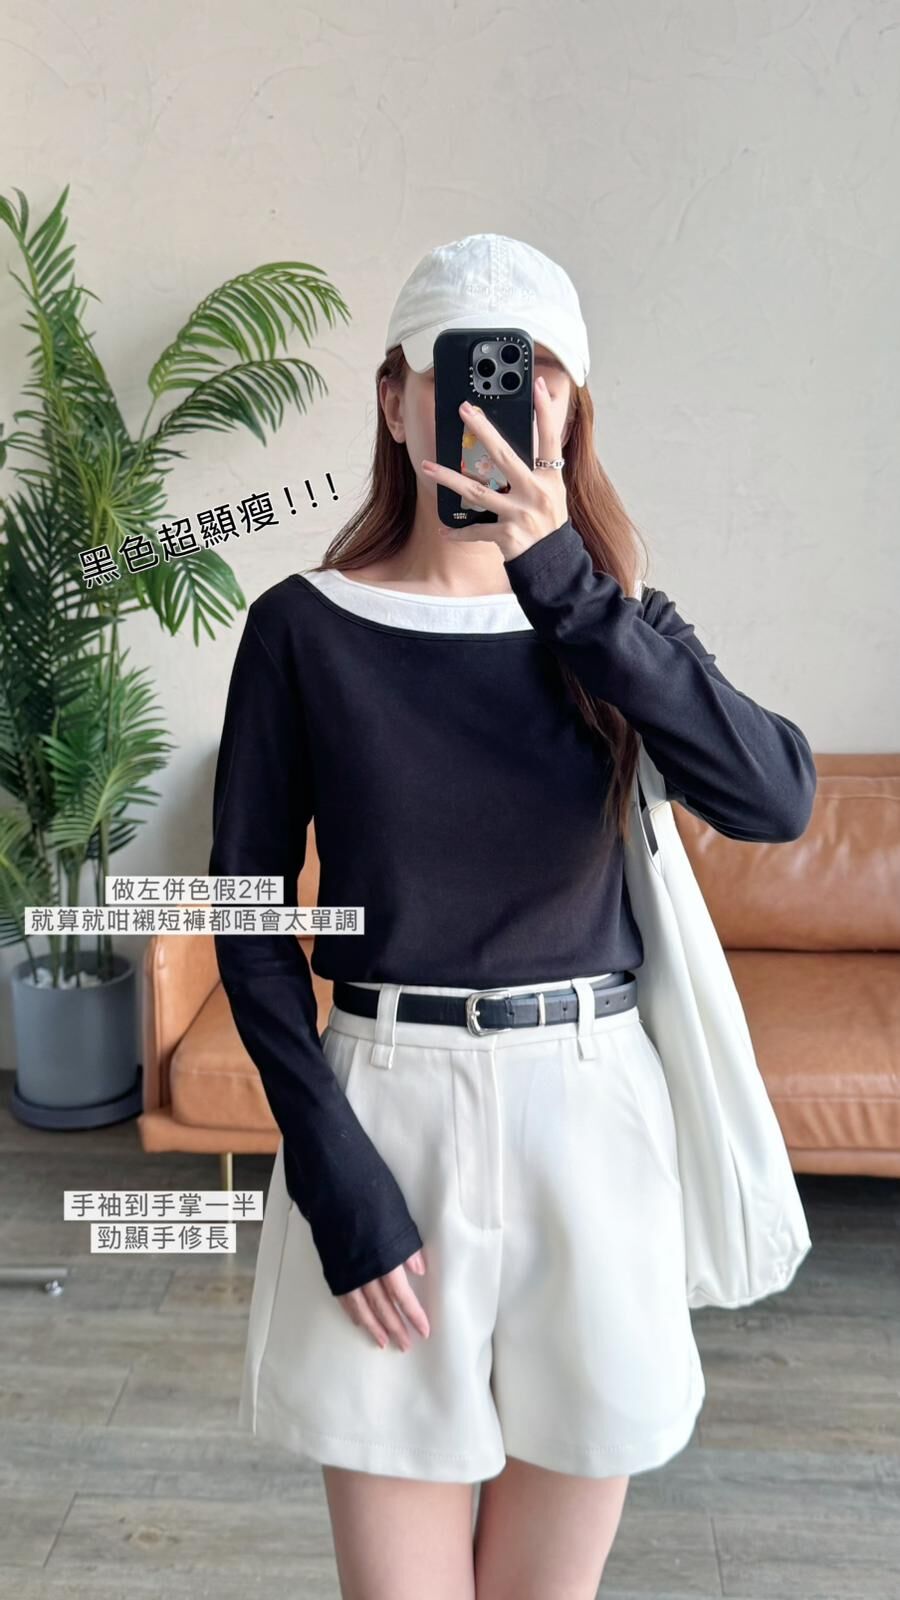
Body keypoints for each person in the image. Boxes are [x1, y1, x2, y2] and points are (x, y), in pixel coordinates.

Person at [208, 233, 817, 1600]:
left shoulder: (615, 623)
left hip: (590, 1117)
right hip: (384, 1108)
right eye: (469, 367)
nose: (501, 399)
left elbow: (776, 799)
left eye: (538, 372)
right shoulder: (303, 628)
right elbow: (244, 914)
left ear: (572, 410)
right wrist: (328, 1162)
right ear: (396, 400)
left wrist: (569, 592)